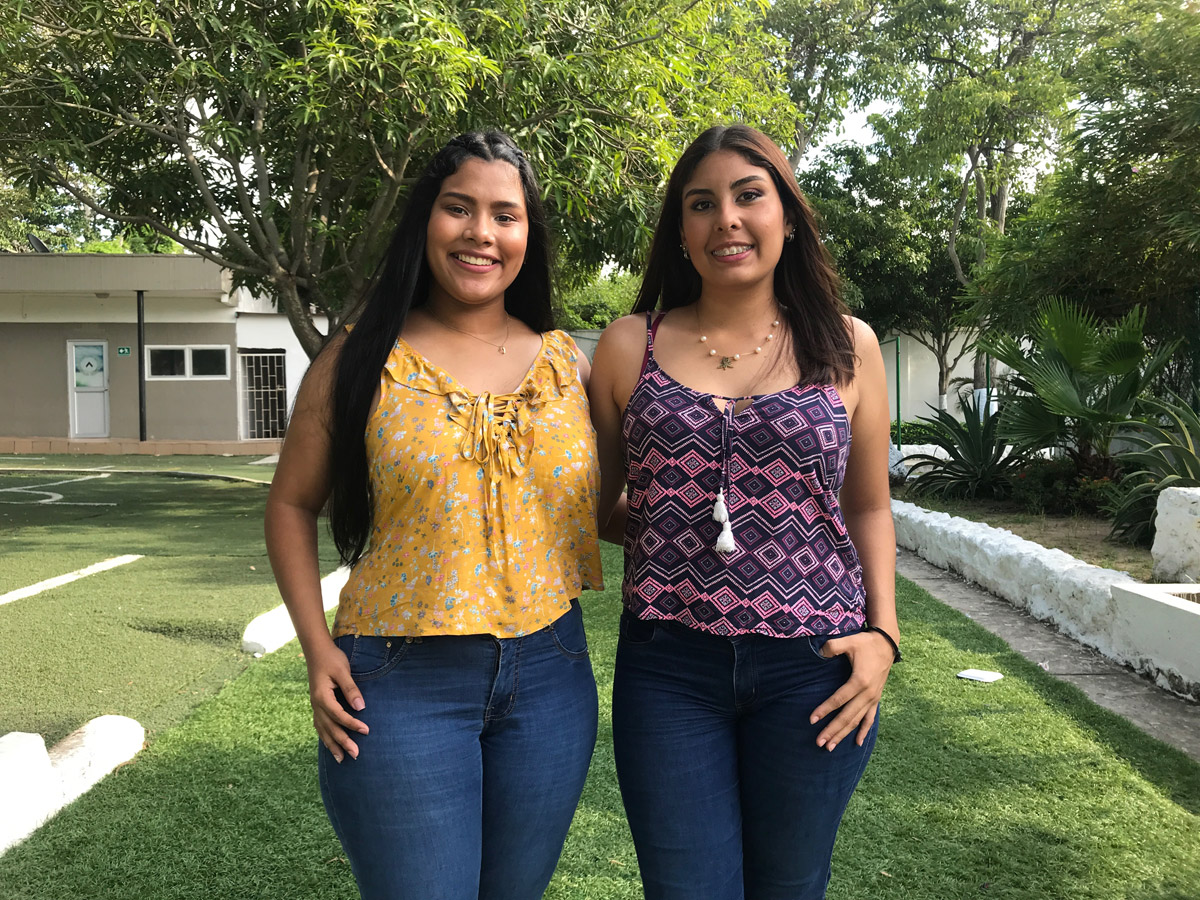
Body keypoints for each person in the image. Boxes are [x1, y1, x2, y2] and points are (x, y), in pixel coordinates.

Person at [264, 131, 603, 900]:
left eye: (505, 215)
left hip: (552, 677)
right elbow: (289, 504)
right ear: (426, 220)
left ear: (528, 236)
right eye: (459, 209)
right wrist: (317, 651)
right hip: (397, 677)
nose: (481, 232)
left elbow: (606, 506)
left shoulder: (566, 363)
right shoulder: (360, 358)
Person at [588, 124, 899, 900]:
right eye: (702, 204)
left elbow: (867, 506)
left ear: (787, 217)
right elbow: (596, 504)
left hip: (816, 665)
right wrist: (679, 523)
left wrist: (883, 638)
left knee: (791, 885)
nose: (726, 218)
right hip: (669, 667)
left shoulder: (848, 345)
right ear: (681, 232)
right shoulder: (631, 346)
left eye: (748, 195)